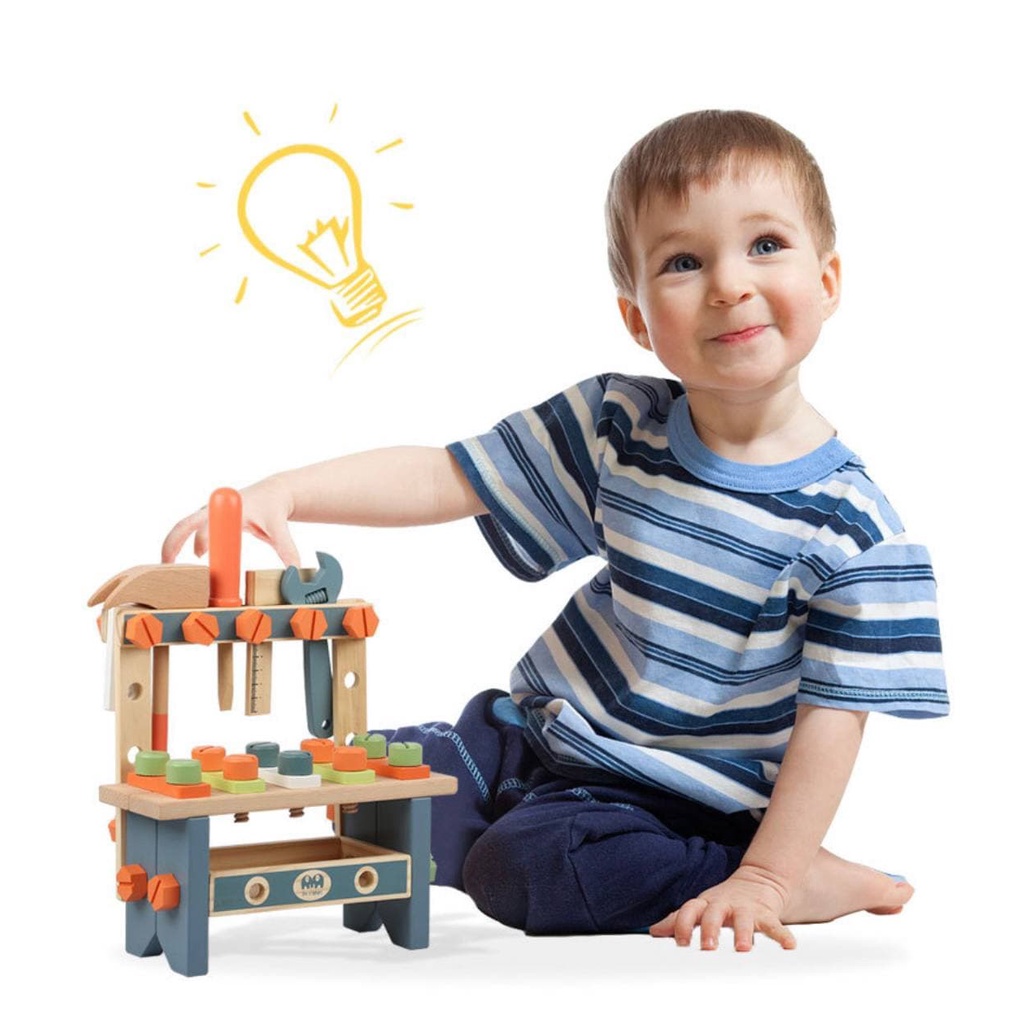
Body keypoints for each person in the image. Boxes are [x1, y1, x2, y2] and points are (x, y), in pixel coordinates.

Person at [163, 110, 947, 951]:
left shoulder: (858, 535)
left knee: (528, 869)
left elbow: (834, 723)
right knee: (371, 786)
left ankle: (777, 874)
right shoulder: (618, 425)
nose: (728, 284)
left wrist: (767, 875)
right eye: (683, 262)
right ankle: (506, 828)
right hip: (531, 740)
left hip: (673, 799)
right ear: (638, 319)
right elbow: (446, 475)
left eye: (765, 245)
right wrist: (287, 491)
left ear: (828, 280)